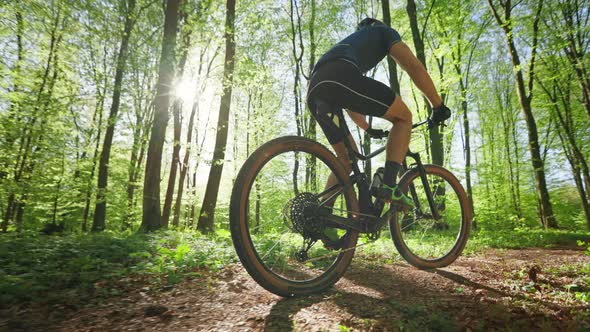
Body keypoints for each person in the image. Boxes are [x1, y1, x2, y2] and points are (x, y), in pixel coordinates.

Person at [306, 18, 451, 247]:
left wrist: (368, 128)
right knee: (404, 118)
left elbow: (350, 100)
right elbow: (413, 66)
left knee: (345, 159)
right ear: (375, 25)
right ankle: (389, 184)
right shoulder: (383, 31)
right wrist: (437, 105)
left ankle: (322, 219)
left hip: (316, 89)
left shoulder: (348, 45)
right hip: (341, 76)